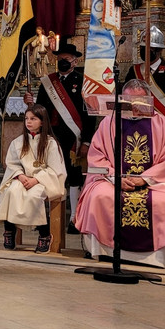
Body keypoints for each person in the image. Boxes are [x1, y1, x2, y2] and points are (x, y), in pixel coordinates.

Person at [75, 79, 165, 267]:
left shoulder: (162, 124)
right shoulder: (110, 122)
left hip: (153, 182)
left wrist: (143, 179)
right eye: (130, 101)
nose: (135, 106)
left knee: (164, 202)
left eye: (140, 101)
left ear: (149, 99)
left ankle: (152, 258)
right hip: (113, 180)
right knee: (99, 195)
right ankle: (105, 252)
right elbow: (97, 157)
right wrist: (115, 178)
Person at [24, 41, 94, 233]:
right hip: (51, 137)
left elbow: (89, 116)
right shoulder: (48, 82)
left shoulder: (83, 82)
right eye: (60, 59)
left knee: (73, 177)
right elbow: (39, 111)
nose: (63, 62)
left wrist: (86, 141)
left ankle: (74, 219)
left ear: (75, 61)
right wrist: (30, 104)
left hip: (73, 138)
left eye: (67, 59)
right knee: (49, 175)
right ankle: (46, 218)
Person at [0, 104, 66, 253]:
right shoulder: (18, 142)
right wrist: (20, 176)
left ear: (42, 121)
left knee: (34, 196)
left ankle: (44, 233)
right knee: (11, 192)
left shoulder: (51, 143)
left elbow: (55, 169)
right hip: (22, 179)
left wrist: (36, 179)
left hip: (43, 181)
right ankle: (9, 230)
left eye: (33, 119)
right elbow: (12, 163)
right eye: (26, 118)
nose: (28, 122)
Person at [123, 25, 165, 144]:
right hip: (138, 129)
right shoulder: (135, 71)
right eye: (142, 47)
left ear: (159, 51)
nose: (144, 51)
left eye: (149, 48)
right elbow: (126, 98)